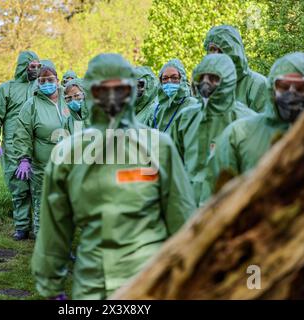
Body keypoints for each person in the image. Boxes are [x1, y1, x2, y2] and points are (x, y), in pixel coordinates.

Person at [31, 53, 196, 300]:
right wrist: (50, 283)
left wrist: (188, 272)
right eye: (102, 89)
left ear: (131, 90)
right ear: (91, 92)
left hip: (149, 281)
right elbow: (54, 227)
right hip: (93, 282)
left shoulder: (158, 147)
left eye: (119, 88)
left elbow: (181, 217)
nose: (111, 97)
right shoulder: (69, 153)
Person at [209, 52, 304, 189]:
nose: (292, 94)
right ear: (271, 89)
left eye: (301, 88)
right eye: (284, 87)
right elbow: (218, 199)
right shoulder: (238, 135)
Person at [172, 53, 256, 206]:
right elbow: (171, 165)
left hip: (228, 209)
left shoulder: (247, 121)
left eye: (213, 78)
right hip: (189, 208)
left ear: (228, 80)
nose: (205, 83)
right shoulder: (186, 117)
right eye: (202, 77)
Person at [0, 51, 40, 240]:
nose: (35, 70)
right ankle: (21, 227)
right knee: (18, 187)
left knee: (38, 187)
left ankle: (38, 226)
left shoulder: (41, 87)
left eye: (37, 66)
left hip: (37, 144)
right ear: (22, 66)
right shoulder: (6, 89)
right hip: (12, 146)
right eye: (31, 66)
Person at [13, 63, 69, 237]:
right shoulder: (31, 105)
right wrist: (23, 158)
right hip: (43, 164)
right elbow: (22, 133)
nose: (46, 83)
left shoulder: (68, 99)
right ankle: (42, 238)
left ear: (57, 80)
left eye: (50, 80)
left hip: (69, 164)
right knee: (42, 201)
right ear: (37, 82)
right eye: (42, 80)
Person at [204, 25, 269, 113]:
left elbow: (264, 123)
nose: (216, 54)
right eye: (212, 49)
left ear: (234, 50)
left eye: (222, 49)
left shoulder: (257, 84)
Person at [146, 59, 197, 136]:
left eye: (174, 77)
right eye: (165, 78)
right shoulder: (156, 109)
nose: (169, 81)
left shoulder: (192, 105)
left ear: (182, 79)